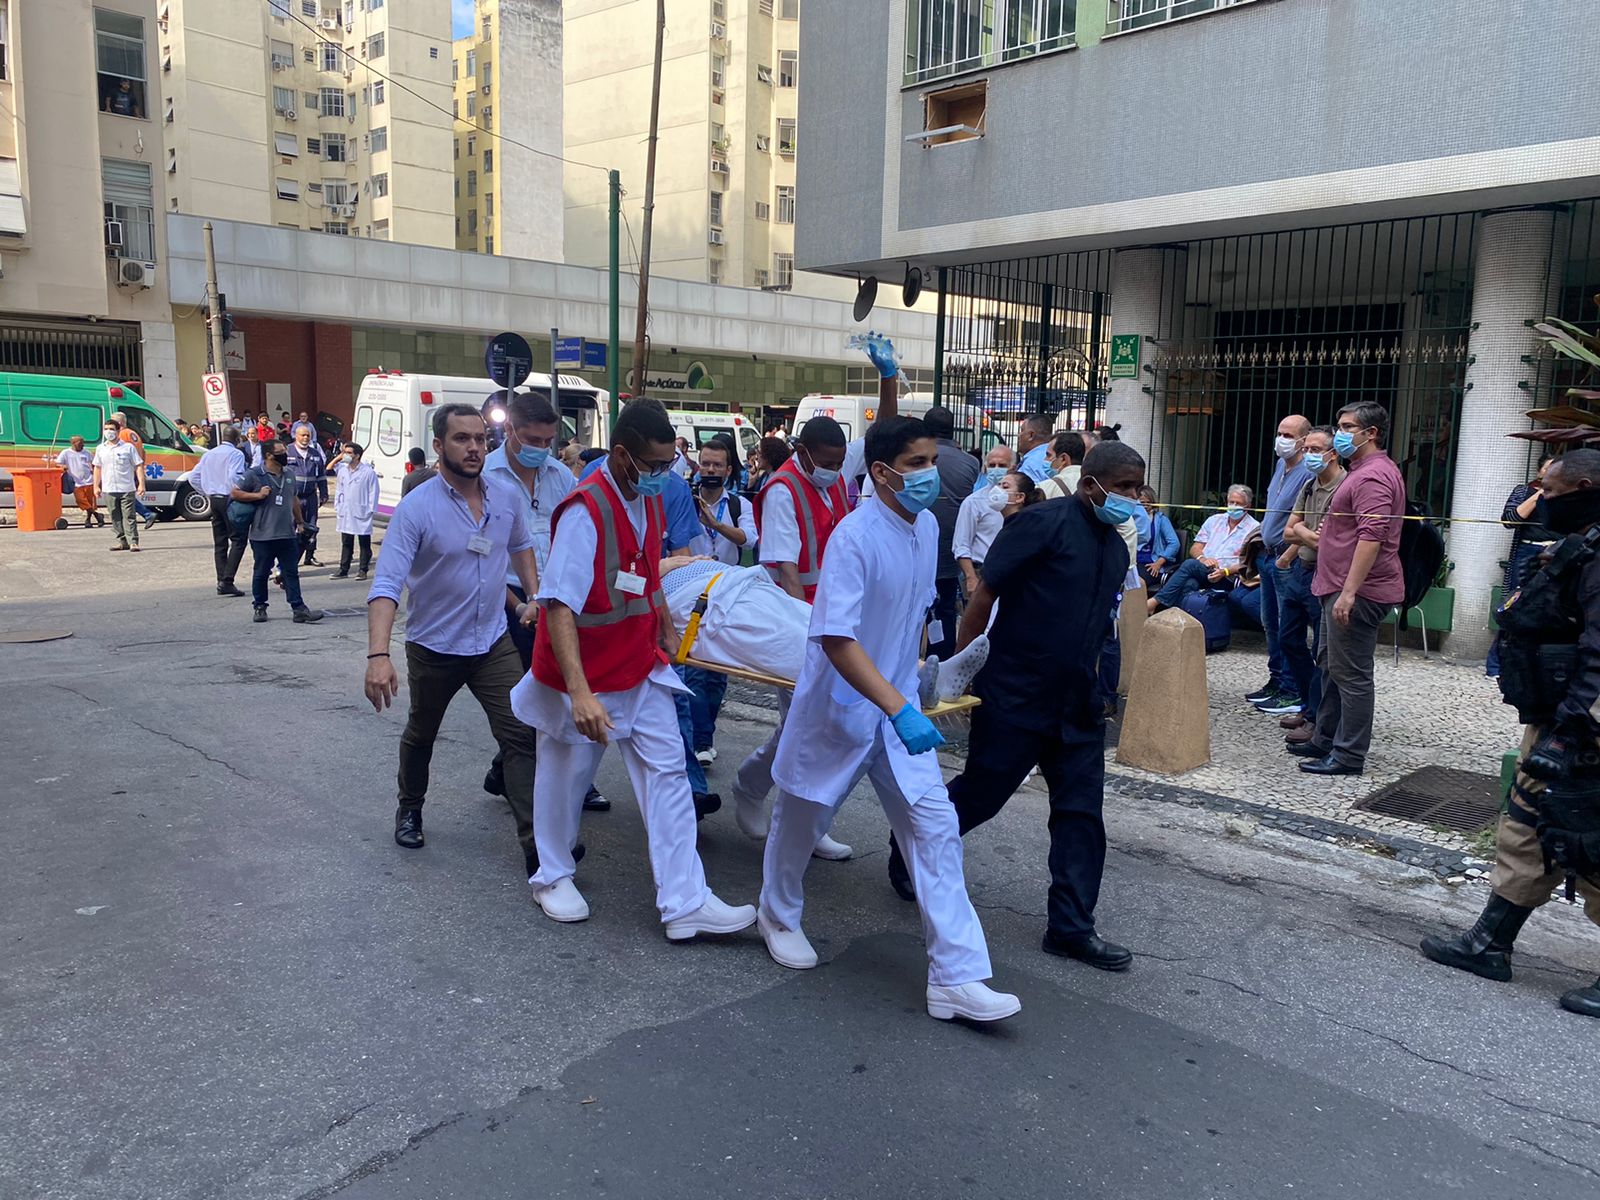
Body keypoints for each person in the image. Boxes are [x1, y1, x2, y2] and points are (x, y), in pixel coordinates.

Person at [757, 415, 1019, 1023]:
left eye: (933, 460)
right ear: (881, 473)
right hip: (842, 706)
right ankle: (777, 913)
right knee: (803, 813)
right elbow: (835, 639)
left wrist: (922, 676)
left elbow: (914, 609)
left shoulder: (925, 525)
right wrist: (896, 706)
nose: (932, 475)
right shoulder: (853, 538)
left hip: (900, 707)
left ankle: (956, 976)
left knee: (933, 827)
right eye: (919, 464)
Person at [892, 440, 1145, 976]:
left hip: (1077, 703)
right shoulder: (1041, 525)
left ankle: (1071, 928)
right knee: (983, 795)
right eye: (1122, 487)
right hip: (1015, 692)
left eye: (1136, 488)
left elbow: (1102, 625)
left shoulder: (1116, 547)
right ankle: (907, 845)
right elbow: (984, 595)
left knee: (1081, 816)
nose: (1131, 497)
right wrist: (962, 665)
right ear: (1090, 483)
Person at [509, 400, 757, 939]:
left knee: (669, 773)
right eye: (654, 465)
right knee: (565, 779)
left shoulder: (647, 500)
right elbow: (558, 606)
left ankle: (685, 900)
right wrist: (579, 694)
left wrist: (665, 624)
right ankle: (551, 876)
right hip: (586, 675)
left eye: (670, 465)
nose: (663, 475)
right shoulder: (585, 511)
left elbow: (641, 575)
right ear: (621, 456)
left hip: (639, 666)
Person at [1419, 448, 1600, 1020]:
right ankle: (1489, 945)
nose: (1540, 501)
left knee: (1589, 841)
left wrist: (1571, 735)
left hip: (1586, 727)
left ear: (1585, 487)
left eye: (1549, 491)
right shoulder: (1584, 545)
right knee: (1524, 828)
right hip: (1557, 721)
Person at [363, 405, 542, 877]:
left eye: (481, 438)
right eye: (462, 439)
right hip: (434, 646)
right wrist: (378, 655)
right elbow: (386, 586)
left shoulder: (505, 497)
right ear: (440, 446)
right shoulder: (417, 508)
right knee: (422, 733)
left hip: (492, 644)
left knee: (522, 734)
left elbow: (520, 546)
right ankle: (410, 807)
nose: (474, 447)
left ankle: (537, 846)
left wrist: (532, 598)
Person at [478, 393, 609, 814]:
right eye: (532, 438)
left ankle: (545, 773)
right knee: (528, 696)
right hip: (510, 601)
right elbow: (486, 556)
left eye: (548, 440)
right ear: (510, 431)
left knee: (561, 693)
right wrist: (520, 604)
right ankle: (529, 774)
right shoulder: (486, 477)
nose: (541, 448)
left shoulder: (560, 477)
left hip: (557, 603)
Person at [1286, 402, 1405, 778]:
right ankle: (1325, 737)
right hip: (1334, 585)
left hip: (1355, 590)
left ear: (1370, 434)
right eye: (1339, 425)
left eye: (1347, 426)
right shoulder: (1362, 470)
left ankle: (1349, 755)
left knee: (1351, 675)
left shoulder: (1373, 476)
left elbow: (1372, 536)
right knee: (1330, 666)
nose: (1340, 433)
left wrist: (1350, 592)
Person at [683, 436, 759, 769]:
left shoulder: (740, 505)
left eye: (716, 465)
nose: (710, 470)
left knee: (719, 675)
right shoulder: (684, 501)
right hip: (692, 592)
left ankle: (705, 734)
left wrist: (715, 525)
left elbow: (750, 539)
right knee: (696, 671)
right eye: (705, 464)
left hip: (727, 595)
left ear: (728, 470)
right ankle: (700, 740)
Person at [1246, 415, 1314, 717]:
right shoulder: (1279, 467)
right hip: (1269, 553)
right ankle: (1276, 680)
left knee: (1289, 627)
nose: (1282, 439)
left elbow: (1308, 521)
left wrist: (1289, 554)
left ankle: (1291, 688)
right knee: (1271, 624)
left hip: (1288, 558)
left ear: (1303, 439)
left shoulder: (1306, 473)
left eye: (1288, 434)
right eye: (1279, 433)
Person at [1280, 428, 1346, 743]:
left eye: (1316, 449)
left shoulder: (1344, 487)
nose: (1308, 454)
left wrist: (1302, 531)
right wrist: (1307, 532)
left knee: (1322, 651)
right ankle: (1308, 703)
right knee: (1288, 639)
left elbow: (1326, 541)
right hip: (1300, 570)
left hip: (1326, 574)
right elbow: (1288, 532)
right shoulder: (1309, 485)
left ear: (1333, 453)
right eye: (1306, 448)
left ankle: (1318, 717)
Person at [230, 438, 324, 624]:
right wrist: (257, 495)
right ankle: (260, 606)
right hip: (262, 534)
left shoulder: (289, 474)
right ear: (268, 455)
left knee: (291, 572)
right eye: (281, 452)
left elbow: (294, 499)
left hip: (286, 534)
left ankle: (299, 609)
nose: (285, 455)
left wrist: (300, 522)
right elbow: (235, 493)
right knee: (261, 572)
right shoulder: (255, 474)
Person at [1487, 454, 1559, 677]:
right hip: (1529, 551)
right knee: (1515, 605)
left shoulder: (1565, 495)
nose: (1551, 474)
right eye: (1548, 469)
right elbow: (1509, 519)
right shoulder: (1524, 490)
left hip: (1556, 552)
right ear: (1539, 471)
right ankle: (1496, 665)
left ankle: (1532, 664)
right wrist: (1538, 495)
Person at [921, 406, 980, 661]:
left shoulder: (917, 457)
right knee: (945, 607)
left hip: (920, 541)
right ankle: (942, 658)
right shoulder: (970, 462)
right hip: (951, 545)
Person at [1147, 485, 1260, 614]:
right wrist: (1203, 559)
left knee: (1189, 565)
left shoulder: (1254, 528)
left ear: (1248, 506)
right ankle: (1185, 623)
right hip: (1203, 570)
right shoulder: (1214, 520)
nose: (1233, 506)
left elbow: (1249, 563)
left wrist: (1225, 571)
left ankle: (1155, 602)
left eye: (1238, 503)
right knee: (1190, 584)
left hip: (1228, 576)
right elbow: (1195, 548)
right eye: (1231, 502)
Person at [190, 425, 249, 596]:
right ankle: (228, 580)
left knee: (220, 541)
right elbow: (234, 477)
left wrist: (206, 491)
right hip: (228, 498)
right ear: (237, 439)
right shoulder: (236, 454)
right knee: (238, 539)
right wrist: (237, 493)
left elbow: (194, 477)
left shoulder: (209, 453)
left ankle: (221, 579)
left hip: (214, 499)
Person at [952, 446, 1017, 594]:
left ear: (1012, 468)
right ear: (985, 467)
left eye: (1001, 465)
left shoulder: (1020, 500)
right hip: (982, 572)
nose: (996, 469)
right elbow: (961, 544)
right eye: (992, 465)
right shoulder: (974, 502)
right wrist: (971, 578)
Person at [92, 418, 145, 552]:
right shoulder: (100, 449)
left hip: (126, 487)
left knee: (129, 515)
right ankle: (122, 541)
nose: (109, 432)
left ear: (118, 430)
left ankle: (133, 541)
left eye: (111, 429)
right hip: (109, 488)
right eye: (106, 429)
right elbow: (97, 468)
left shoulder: (128, 447)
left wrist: (141, 484)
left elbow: (138, 466)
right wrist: (96, 486)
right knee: (114, 516)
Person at [331, 443, 379, 580]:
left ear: (357, 456)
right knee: (346, 541)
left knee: (364, 542)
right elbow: (339, 489)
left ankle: (363, 569)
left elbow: (373, 492)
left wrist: (370, 510)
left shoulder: (368, 472)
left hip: (361, 510)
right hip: (345, 510)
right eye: (345, 452)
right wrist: (337, 505)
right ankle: (343, 569)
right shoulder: (343, 470)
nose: (345, 455)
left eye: (349, 453)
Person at [285, 422, 329, 566]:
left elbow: (321, 476)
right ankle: (290, 558)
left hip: (310, 496)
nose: (305, 438)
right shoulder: (288, 451)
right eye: (303, 435)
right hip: (293, 497)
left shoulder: (315, 454)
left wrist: (324, 493)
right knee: (291, 527)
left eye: (308, 435)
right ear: (296, 436)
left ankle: (309, 555)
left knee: (311, 527)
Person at [108, 411, 158, 530]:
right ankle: (145, 515)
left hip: (127, 470)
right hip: (135, 469)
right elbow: (142, 452)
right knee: (127, 496)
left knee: (124, 497)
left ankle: (145, 515)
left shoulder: (122, 435)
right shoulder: (133, 434)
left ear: (119, 423)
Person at [1137, 486, 1181, 585]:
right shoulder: (1131, 518)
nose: (1144, 506)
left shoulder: (1161, 520)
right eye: (1141, 503)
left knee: (1136, 582)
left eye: (1147, 502)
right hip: (1132, 562)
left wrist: (1159, 563)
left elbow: (1174, 544)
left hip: (1151, 564)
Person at [55, 436, 102, 528]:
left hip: (89, 481)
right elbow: (58, 463)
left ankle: (88, 520)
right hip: (76, 482)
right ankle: (97, 515)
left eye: (83, 443)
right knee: (81, 501)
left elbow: (95, 463)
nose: (82, 445)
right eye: (80, 443)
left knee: (90, 502)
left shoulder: (86, 452)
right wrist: (63, 467)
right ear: (73, 443)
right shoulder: (66, 453)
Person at [1034, 430, 1086, 500]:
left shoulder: (1045, 489)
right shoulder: (1095, 485)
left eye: (1048, 455)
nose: (1045, 459)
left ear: (1063, 459)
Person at [1015, 414, 1056, 483]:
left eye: (1022, 430)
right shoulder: (1055, 454)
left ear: (1031, 435)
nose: (1019, 435)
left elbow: (1028, 492)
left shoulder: (1030, 465)